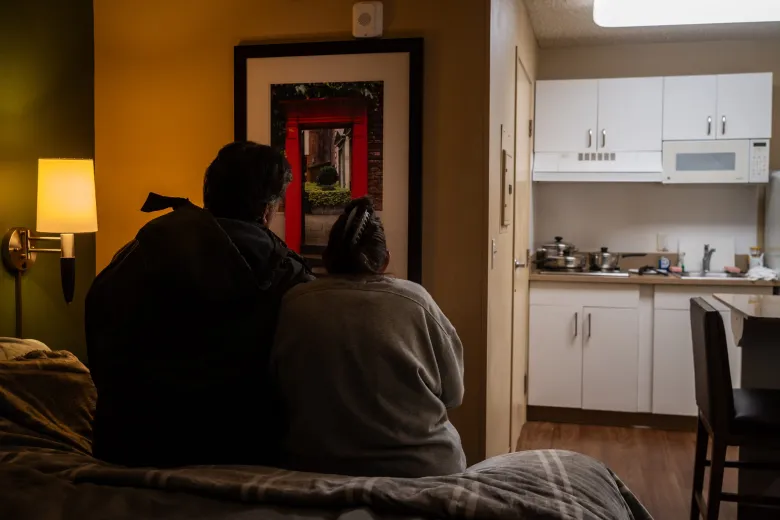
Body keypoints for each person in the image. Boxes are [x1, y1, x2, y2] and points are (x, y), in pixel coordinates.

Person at [86, 142, 312, 467]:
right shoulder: (291, 278)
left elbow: (99, 332)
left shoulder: (143, 250)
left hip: (133, 447)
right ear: (267, 209)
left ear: (210, 193)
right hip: (245, 452)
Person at [271, 197, 466, 478]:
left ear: (326, 258)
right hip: (420, 469)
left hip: (315, 466)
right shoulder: (415, 301)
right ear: (385, 259)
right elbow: (454, 393)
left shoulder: (295, 302)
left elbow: (279, 385)